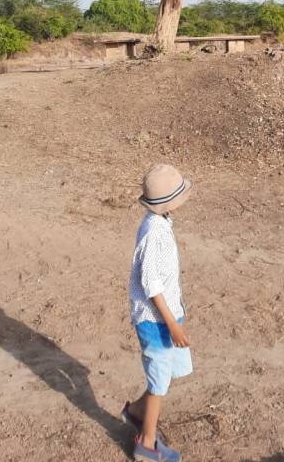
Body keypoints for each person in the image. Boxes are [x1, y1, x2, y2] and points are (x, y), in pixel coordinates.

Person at [121, 163, 193, 462]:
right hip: (155, 321)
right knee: (159, 381)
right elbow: (151, 284)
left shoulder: (161, 223)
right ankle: (147, 445)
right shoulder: (154, 233)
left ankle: (138, 411)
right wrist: (172, 326)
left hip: (168, 316)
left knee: (171, 372)